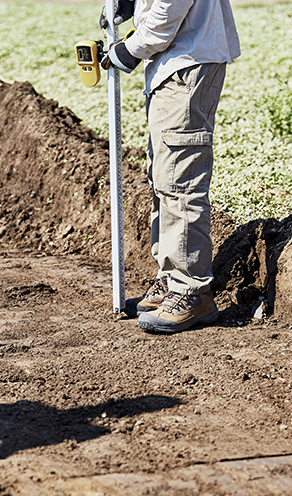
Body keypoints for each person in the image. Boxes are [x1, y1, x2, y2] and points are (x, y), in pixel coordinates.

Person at [101, 0, 240, 334]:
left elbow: (167, 11)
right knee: (163, 176)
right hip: (174, 62)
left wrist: (130, 48)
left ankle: (191, 291)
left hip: (187, 61)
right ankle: (171, 278)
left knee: (180, 180)